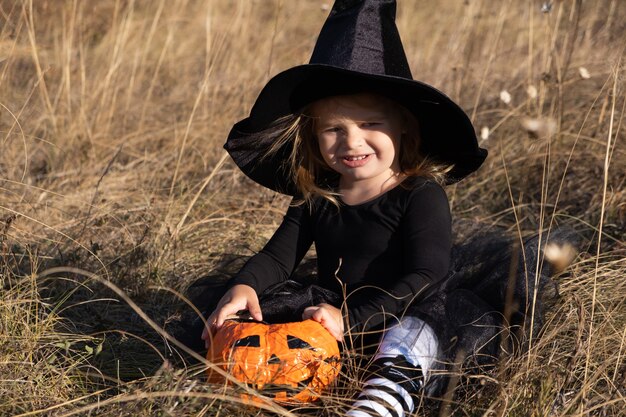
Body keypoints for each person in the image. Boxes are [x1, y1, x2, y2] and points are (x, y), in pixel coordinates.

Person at [197, 1, 541, 416]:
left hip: (406, 307)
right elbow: (277, 257)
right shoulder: (318, 194)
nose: (352, 142)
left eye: (370, 125)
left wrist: (354, 319)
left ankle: (384, 396)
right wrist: (245, 287)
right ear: (313, 137)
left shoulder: (419, 193)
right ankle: (254, 383)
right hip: (330, 315)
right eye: (334, 129)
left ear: (402, 127)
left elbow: (427, 274)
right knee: (248, 322)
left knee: (414, 336)